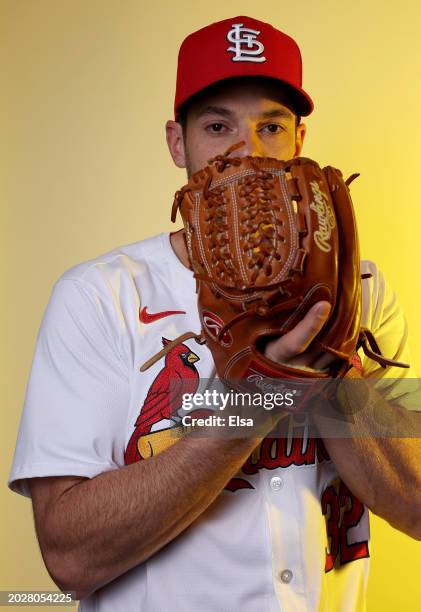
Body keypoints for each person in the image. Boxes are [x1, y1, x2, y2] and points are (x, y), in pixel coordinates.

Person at [8, 15, 421, 612]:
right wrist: (256, 398)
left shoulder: (361, 291)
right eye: (217, 124)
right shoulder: (97, 296)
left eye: (271, 125)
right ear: (178, 142)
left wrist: (331, 367)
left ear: (300, 141)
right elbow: (70, 558)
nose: (245, 150)